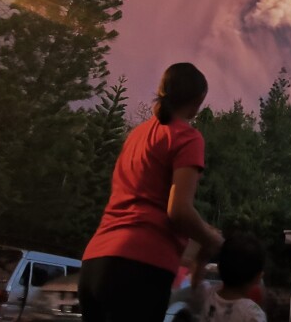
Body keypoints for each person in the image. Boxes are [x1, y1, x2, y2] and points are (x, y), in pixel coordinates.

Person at [79, 63, 224, 322]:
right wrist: (212, 240)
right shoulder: (187, 137)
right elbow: (178, 211)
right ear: (197, 102)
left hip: (94, 263)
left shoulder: (136, 135)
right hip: (139, 269)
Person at [198, 233, 267, 322]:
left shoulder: (206, 294)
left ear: (218, 267)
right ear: (258, 277)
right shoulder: (253, 314)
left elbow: (196, 281)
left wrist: (203, 256)